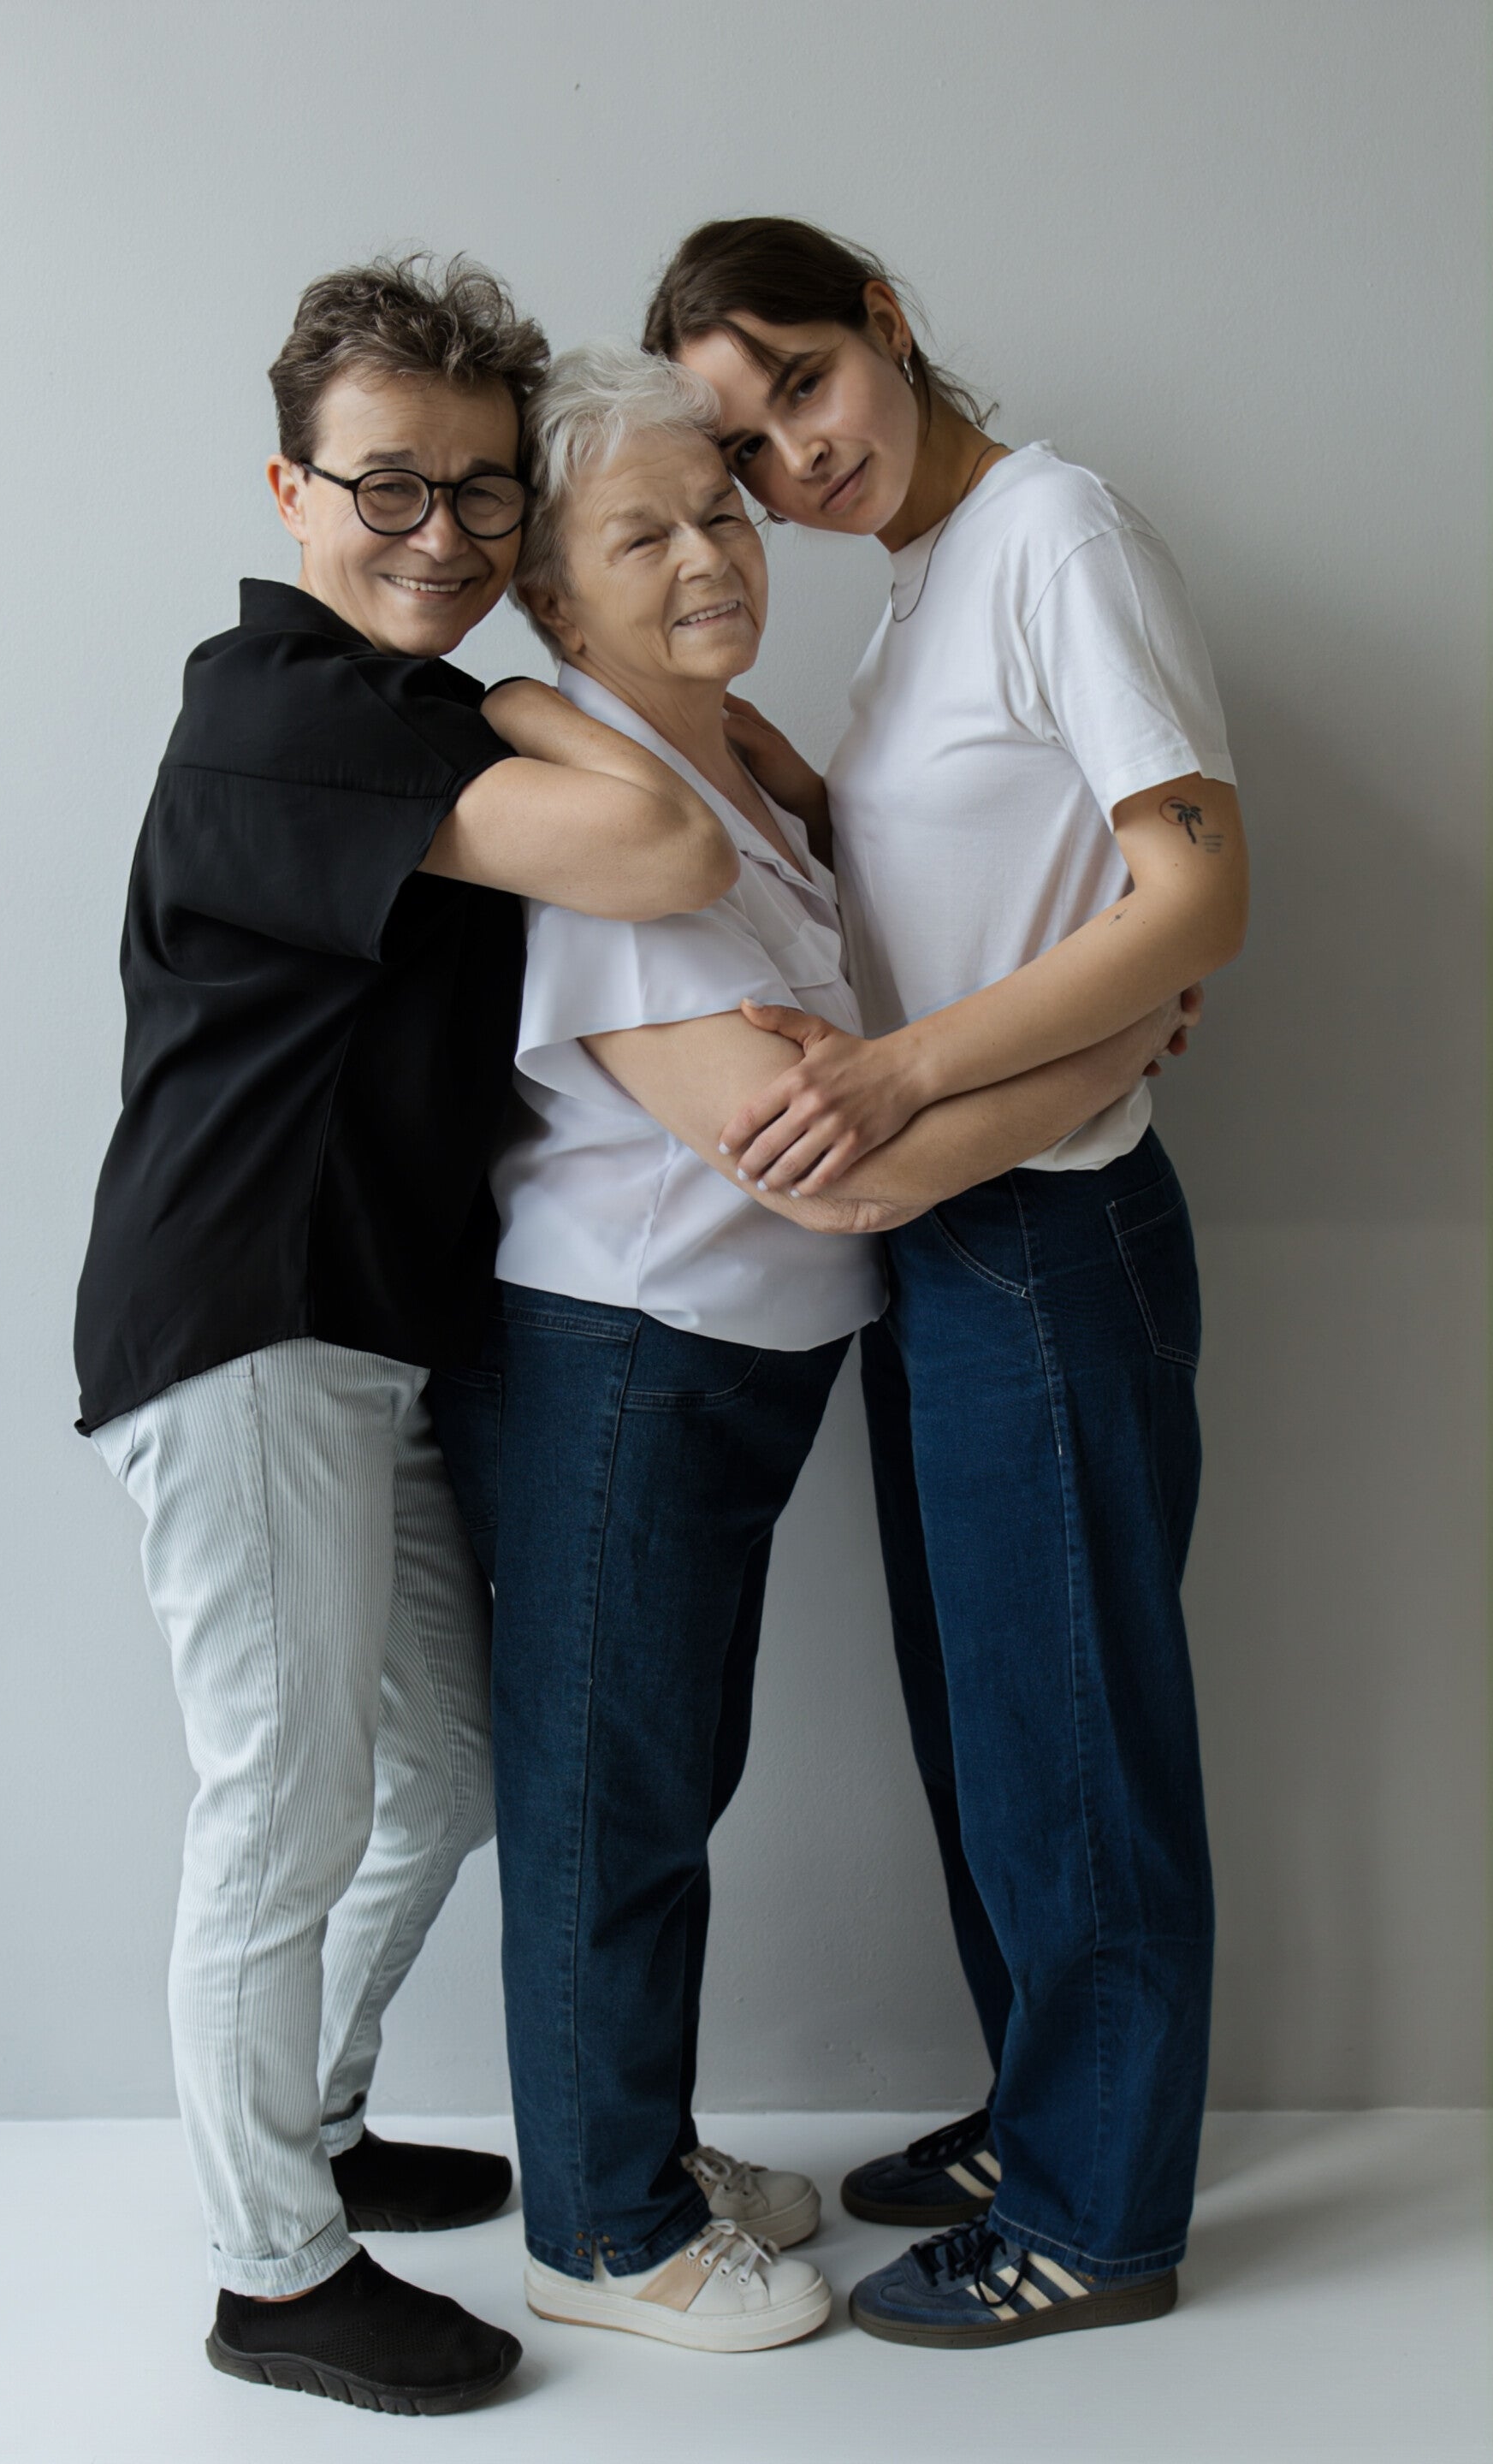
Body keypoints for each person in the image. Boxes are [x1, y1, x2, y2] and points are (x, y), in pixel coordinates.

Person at [428, 341, 1194, 2357]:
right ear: (553, 591)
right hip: (630, 1358)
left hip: (731, 1371)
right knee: (612, 1795)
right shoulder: (600, 816)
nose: (711, 554)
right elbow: (836, 1175)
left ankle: (642, 2160)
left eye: (724, 511)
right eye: (643, 536)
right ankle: (601, 2231)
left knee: (673, 1775)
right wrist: (1123, 1035)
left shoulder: (729, 775)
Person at [74, 256, 738, 2419]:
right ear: (290, 489)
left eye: (481, 495)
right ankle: (272, 2271)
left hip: (367, 1333)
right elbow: (662, 846)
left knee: (439, 1772)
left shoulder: (403, 714)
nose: (437, 536)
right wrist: (546, 672)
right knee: (281, 1801)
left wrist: (508, 688)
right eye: (389, 488)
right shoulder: (285, 709)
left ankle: (319, 2124)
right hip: (247, 1322)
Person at [646, 216, 1247, 2348]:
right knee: (997, 1732)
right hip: (960, 1227)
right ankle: (1046, 2110)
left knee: (1071, 1742)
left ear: (887, 323)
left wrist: (903, 1069)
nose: (795, 461)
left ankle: (1097, 2218)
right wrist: (789, 788)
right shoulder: (927, 586)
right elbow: (988, 871)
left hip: (1050, 1224)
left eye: (804, 385)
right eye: (745, 446)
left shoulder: (1054, 532)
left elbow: (1195, 892)